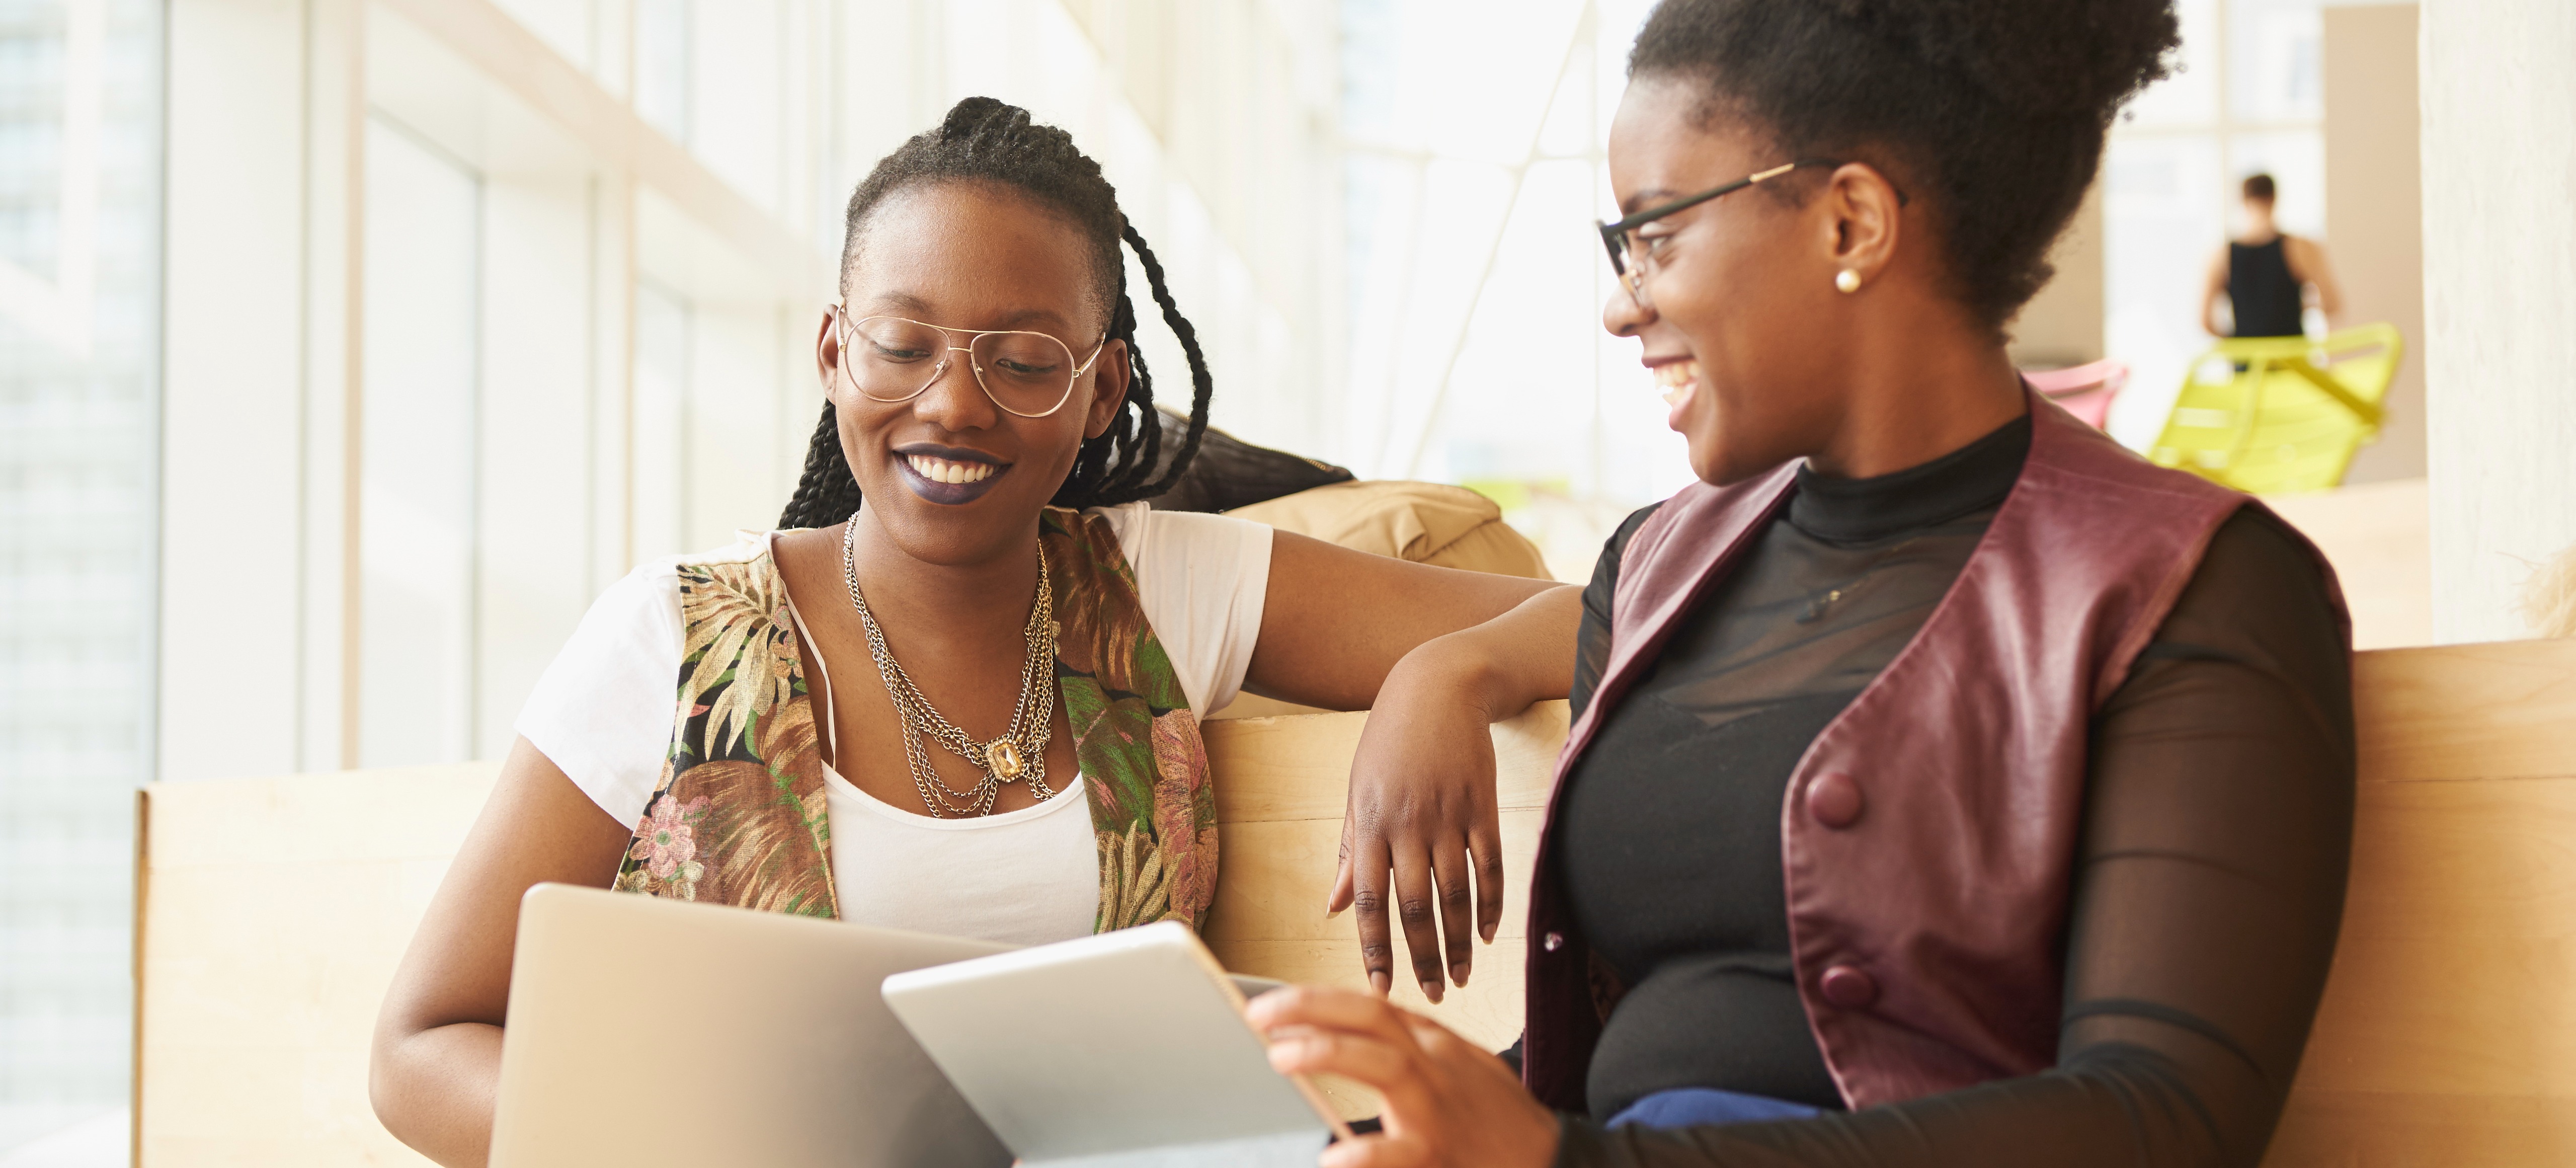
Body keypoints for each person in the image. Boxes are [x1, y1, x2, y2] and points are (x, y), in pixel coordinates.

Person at [367, 97, 1578, 1167]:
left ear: (1100, 390)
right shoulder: (671, 638)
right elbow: (420, 1047)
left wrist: (1448, 670)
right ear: (836, 352)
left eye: (1022, 359)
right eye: (904, 343)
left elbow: (1615, 609)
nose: (953, 402)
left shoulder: (1158, 583)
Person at [1271, 1, 2355, 1165]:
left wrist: (1564, 1161)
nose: (1619, 301)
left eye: (1657, 235)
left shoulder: (2191, 582)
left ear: (1849, 221)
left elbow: (2162, 1116)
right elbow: (1652, 1054)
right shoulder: (1654, 568)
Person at [2203, 173, 2344, 338]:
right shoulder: (2301, 247)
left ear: (2243, 201)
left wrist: (2237, 343)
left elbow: (2206, 322)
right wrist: (2303, 305)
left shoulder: (2221, 255)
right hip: (2291, 358)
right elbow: (2333, 304)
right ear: (2274, 198)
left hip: (2248, 360)